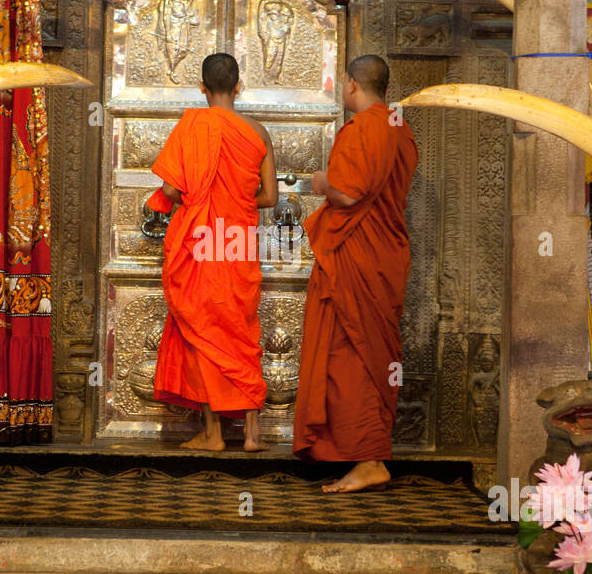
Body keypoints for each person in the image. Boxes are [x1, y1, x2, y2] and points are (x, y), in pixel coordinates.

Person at [293, 55, 418, 492]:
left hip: (358, 257)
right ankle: (362, 453)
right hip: (382, 255)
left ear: (351, 85)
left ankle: (369, 459)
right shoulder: (399, 126)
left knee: (352, 356)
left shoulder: (364, 128)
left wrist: (322, 183)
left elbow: (347, 194)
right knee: (368, 354)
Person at [149, 53, 278, 451]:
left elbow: (171, 192)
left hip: (202, 243)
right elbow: (270, 196)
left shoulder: (192, 128)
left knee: (202, 330)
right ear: (239, 86)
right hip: (236, 243)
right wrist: (233, 200)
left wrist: (205, 197)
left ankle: (213, 434)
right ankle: (254, 434)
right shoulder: (258, 133)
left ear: (202, 87)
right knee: (241, 330)